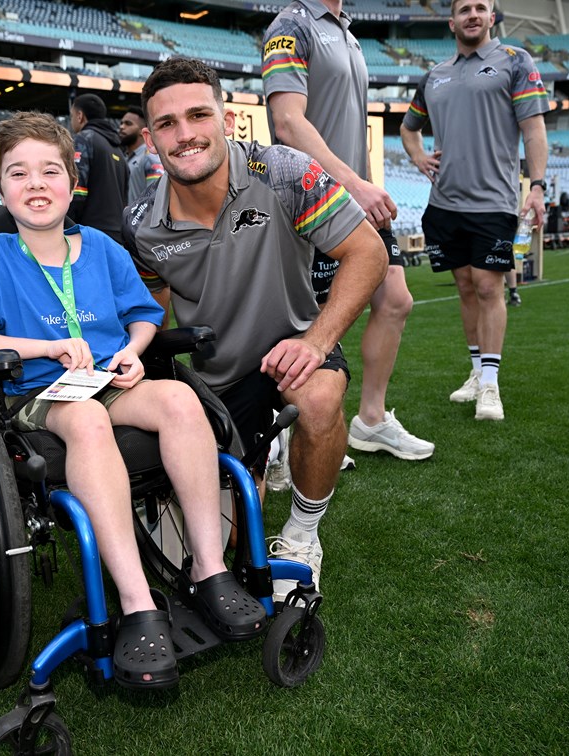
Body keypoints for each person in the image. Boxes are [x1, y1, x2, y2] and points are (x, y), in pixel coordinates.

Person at [0, 110, 266, 689]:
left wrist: (135, 352)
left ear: (73, 183)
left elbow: (144, 315)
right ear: (0, 187)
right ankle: (138, 601)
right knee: (88, 419)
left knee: (179, 400)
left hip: (108, 381)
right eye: (19, 173)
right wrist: (46, 346)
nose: (36, 184)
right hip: (33, 395)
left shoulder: (102, 248)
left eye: (50, 171)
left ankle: (209, 569)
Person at [122, 57, 387, 597]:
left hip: (296, 343)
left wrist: (316, 342)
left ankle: (304, 535)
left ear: (228, 120)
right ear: (150, 140)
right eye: (167, 124)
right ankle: (266, 449)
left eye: (199, 115)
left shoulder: (284, 172)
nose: (185, 134)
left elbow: (368, 252)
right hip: (220, 376)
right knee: (222, 546)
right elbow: (152, 309)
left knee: (316, 399)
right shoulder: (141, 224)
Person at [262, 0, 434, 463]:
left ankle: (371, 420)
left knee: (395, 299)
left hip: (353, 193)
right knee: (315, 316)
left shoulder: (348, 33)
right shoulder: (291, 24)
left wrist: (363, 183)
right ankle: (298, 430)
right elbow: (287, 121)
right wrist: (352, 184)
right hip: (312, 194)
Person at [400, 0, 548, 421]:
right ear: (452, 22)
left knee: (488, 287)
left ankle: (490, 385)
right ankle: (476, 370)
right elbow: (409, 128)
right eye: (465, 8)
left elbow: (533, 129)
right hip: (444, 203)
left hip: (493, 201)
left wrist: (537, 186)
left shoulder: (515, 61)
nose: (473, 14)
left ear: (492, 17)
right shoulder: (435, 75)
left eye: (481, 7)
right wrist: (418, 156)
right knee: (465, 287)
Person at [68, 93, 129, 242]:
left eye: (72, 116)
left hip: (89, 233)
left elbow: (77, 189)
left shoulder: (83, 139)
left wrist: (67, 225)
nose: (71, 120)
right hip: (117, 233)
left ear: (80, 116)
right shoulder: (118, 149)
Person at [118, 105, 164, 205]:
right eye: (121, 123)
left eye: (128, 124)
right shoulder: (125, 157)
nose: (121, 127)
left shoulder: (150, 157)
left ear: (142, 131)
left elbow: (155, 196)